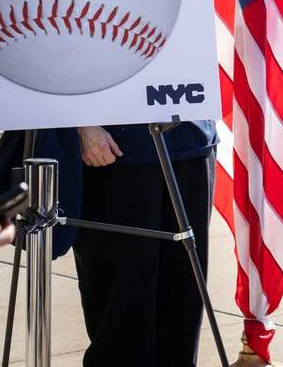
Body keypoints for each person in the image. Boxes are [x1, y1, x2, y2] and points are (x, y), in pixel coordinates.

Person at [71, 120, 218, 365]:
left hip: (193, 141)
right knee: (122, 303)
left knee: (183, 298)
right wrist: (81, 126)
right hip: (116, 152)